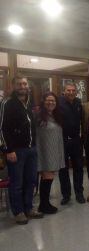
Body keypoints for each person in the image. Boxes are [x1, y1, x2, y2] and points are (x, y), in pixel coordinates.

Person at [0, 75, 43, 224]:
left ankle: (29, 208)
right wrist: (8, 150)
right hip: (16, 151)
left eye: (24, 84)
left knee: (31, 181)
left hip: (31, 149)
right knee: (17, 184)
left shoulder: (29, 101)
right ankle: (18, 212)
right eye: (19, 84)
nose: (23, 86)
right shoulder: (7, 103)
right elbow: (2, 129)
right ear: (13, 86)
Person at [36, 92, 65, 214]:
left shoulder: (55, 116)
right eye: (48, 100)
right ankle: (43, 204)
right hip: (44, 151)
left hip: (54, 150)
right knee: (47, 177)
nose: (51, 102)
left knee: (49, 176)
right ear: (43, 102)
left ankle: (45, 203)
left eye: (53, 100)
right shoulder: (38, 116)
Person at [58, 82, 85, 205]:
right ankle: (66, 195)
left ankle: (79, 193)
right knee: (63, 169)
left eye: (73, 90)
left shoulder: (79, 103)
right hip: (62, 140)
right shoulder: (58, 103)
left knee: (78, 167)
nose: (71, 92)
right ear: (64, 91)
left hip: (76, 140)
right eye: (68, 90)